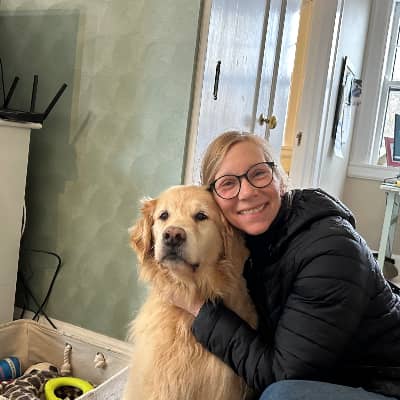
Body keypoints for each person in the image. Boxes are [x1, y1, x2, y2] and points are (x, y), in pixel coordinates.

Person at [174, 131, 400, 399]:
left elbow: (284, 374)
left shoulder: (330, 250)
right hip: (339, 372)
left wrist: (199, 308)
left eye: (259, 173)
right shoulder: (244, 242)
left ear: (280, 180)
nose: (247, 192)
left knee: (281, 395)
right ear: (214, 200)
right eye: (228, 183)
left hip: (385, 384)